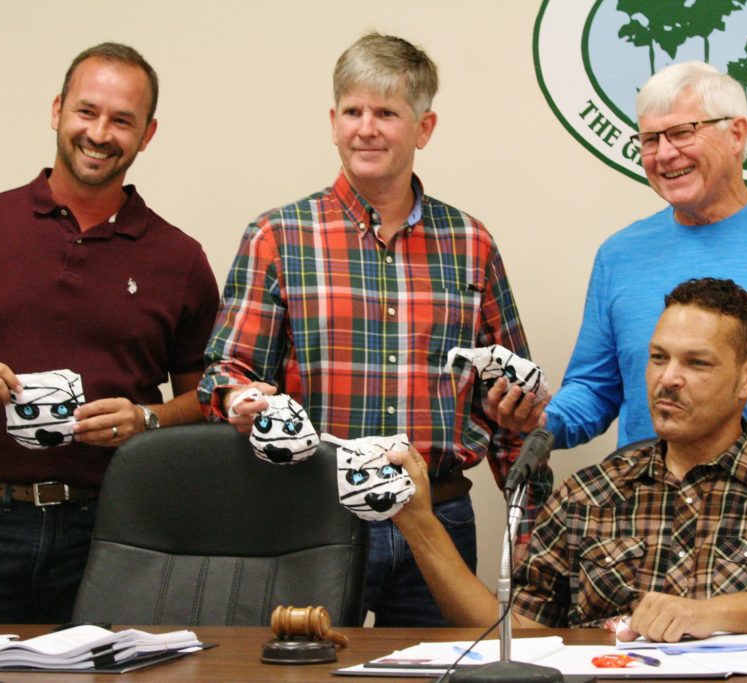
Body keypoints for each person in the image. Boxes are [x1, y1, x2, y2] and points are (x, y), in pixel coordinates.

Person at [199, 33, 540, 627]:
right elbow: (225, 375)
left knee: (445, 672)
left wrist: (527, 525)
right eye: (353, 112)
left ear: (423, 127)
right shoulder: (278, 236)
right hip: (312, 514)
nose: (367, 129)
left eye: (387, 113)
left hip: (438, 514)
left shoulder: (470, 244)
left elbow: (511, 400)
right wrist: (238, 398)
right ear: (333, 122)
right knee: (299, 672)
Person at [391, 277, 747, 638]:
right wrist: (419, 523)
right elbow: (514, 631)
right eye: (659, 358)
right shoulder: (588, 494)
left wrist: (705, 614)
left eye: (696, 362)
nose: (668, 379)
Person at [490, 61, 747, 494]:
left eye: (682, 133)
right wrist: (544, 420)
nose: (663, 154)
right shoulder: (619, 255)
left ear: (736, 134)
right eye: (649, 139)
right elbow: (593, 388)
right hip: (649, 510)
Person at [0, 43, 220, 623]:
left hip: (117, 529)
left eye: (122, 120)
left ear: (148, 133)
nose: (100, 133)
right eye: (87, 111)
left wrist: (148, 420)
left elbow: (210, 400)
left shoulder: (180, 259)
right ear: (58, 109)